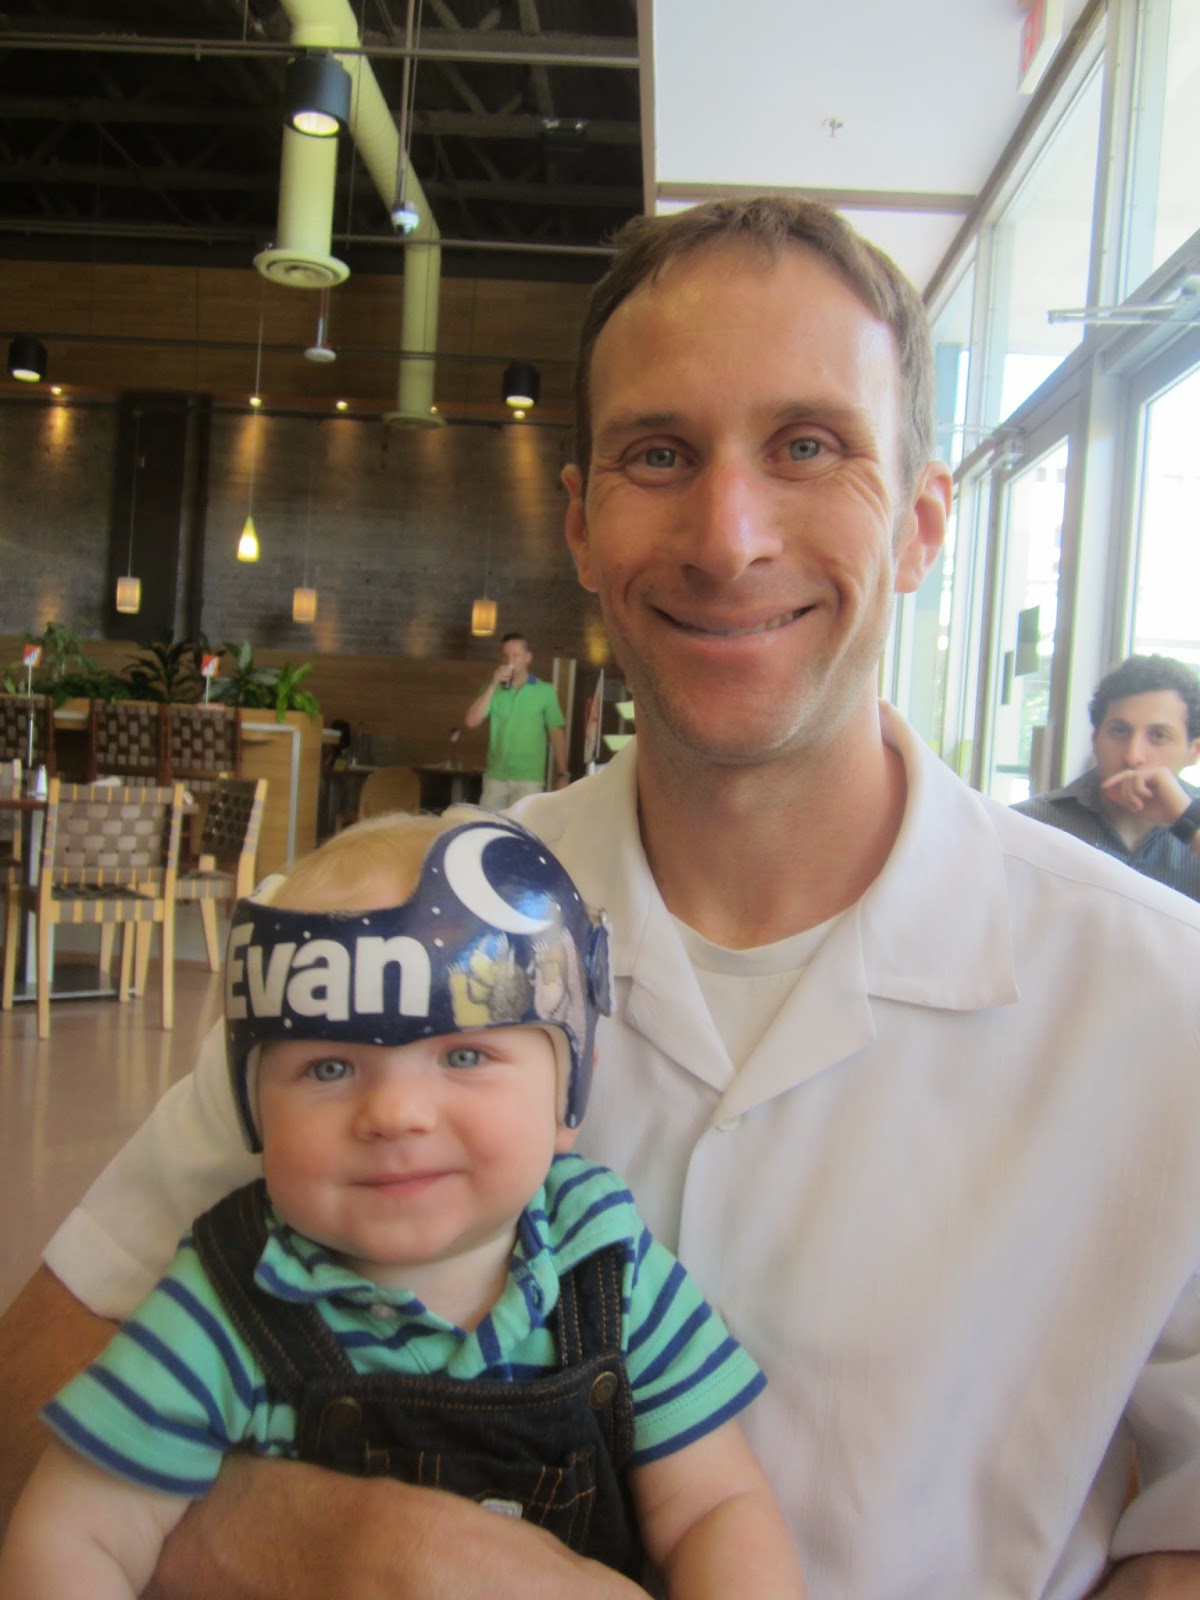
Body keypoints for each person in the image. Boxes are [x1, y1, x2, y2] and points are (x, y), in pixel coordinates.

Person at [2, 195, 1200, 1600]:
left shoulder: (1161, 1002)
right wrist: (337, 1550)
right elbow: (35, 1379)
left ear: (924, 524)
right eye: (659, 454)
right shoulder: (387, 932)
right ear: (580, 524)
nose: (727, 536)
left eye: (809, 446)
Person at [0, 811, 802, 1600]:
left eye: (464, 1056)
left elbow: (715, 1509)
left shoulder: (610, 1267)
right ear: (253, 1110)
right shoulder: (222, 1305)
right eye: (328, 1068)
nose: (395, 1114)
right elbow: (77, 1534)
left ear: (569, 1093)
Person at [1013, 653, 1200, 901]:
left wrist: (1187, 820)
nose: (1133, 756)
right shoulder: (1028, 824)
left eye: (1158, 736)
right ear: (1095, 739)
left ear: (1194, 751)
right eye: (1119, 731)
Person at [465, 632, 569, 807]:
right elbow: (471, 722)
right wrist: (493, 684)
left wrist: (563, 773)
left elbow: (556, 732)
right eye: (505, 656)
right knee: (488, 823)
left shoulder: (545, 691)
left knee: (521, 824)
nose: (509, 661)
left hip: (529, 778)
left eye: (515, 655)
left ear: (528, 657)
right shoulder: (491, 689)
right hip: (495, 776)